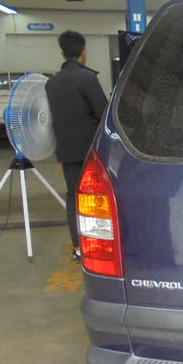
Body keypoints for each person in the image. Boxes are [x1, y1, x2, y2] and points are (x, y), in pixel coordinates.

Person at [45, 31, 108, 262]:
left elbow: (55, 120)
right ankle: (99, 245)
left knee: (73, 197)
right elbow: (103, 113)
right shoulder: (87, 78)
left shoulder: (51, 84)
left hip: (67, 152)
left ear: (62, 53)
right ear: (84, 52)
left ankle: (79, 248)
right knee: (98, 197)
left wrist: (60, 157)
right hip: (92, 152)